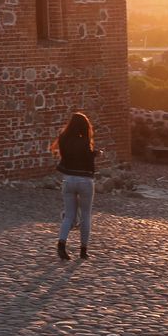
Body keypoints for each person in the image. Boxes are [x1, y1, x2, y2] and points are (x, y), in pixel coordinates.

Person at [50, 110, 102, 261]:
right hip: (85, 181)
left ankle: (61, 243)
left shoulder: (64, 139)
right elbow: (86, 157)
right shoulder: (85, 141)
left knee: (69, 215)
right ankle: (83, 250)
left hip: (68, 180)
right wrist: (96, 154)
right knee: (85, 215)